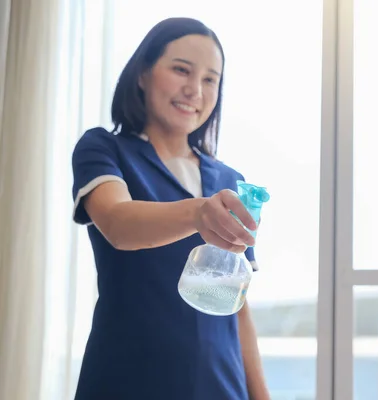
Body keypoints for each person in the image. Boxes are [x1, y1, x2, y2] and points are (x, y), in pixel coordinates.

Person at [71, 17, 270, 400]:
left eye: (211, 79)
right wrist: (198, 213)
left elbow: (238, 309)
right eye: (182, 70)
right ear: (143, 73)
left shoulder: (231, 181)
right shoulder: (104, 150)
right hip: (127, 381)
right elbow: (118, 223)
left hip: (221, 387)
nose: (195, 90)